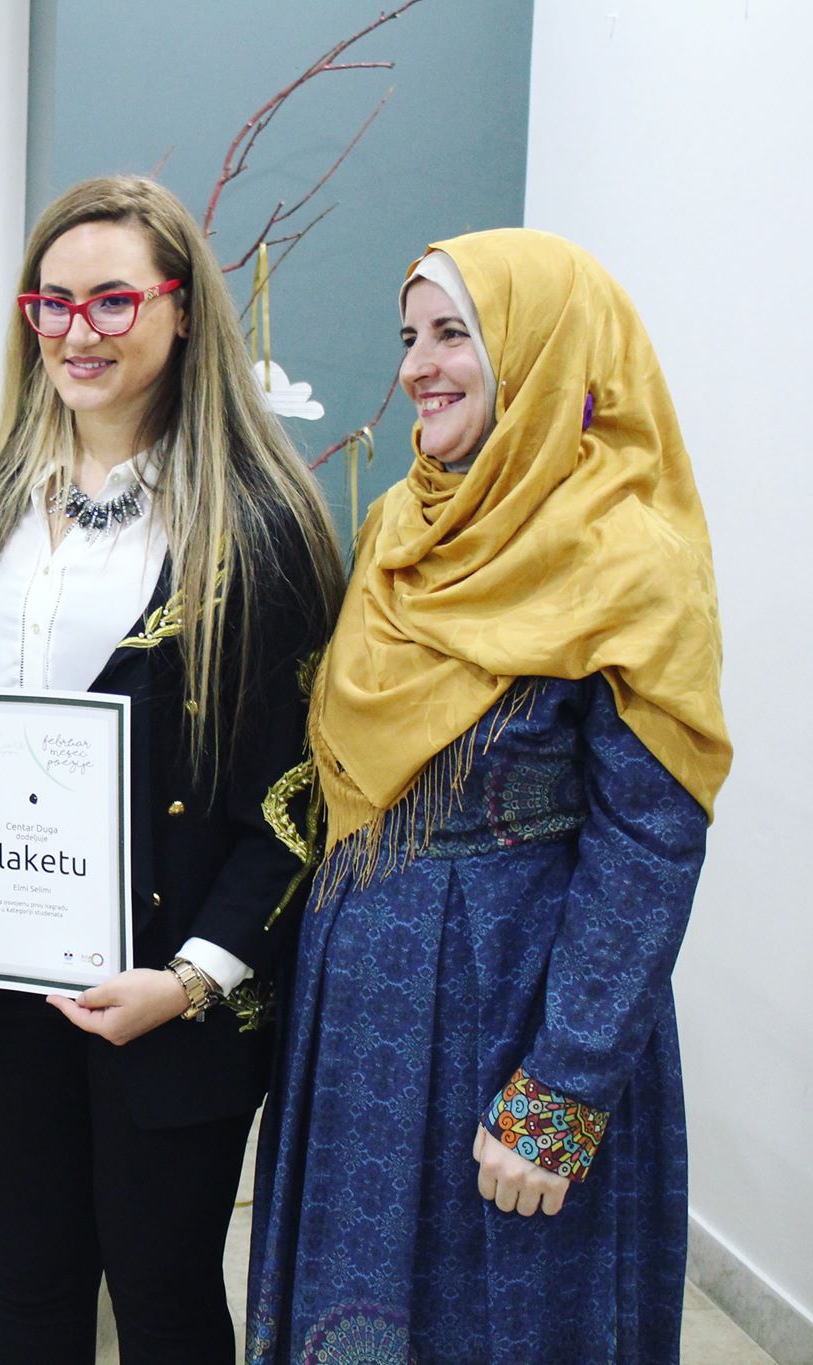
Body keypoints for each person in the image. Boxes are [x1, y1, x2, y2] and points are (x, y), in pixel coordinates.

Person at [0, 174, 344, 1362]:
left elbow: (295, 798)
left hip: (167, 991)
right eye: (51, 302)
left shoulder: (258, 527)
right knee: (31, 1282)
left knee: (164, 1294)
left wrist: (191, 980)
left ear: (179, 311)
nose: (76, 331)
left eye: (111, 300)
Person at [245, 228, 732, 1361]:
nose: (417, 365)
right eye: (408, 336)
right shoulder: (397, 528)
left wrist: (559, 1092)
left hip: (514, 1019)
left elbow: (649, 843)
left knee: (504, 1317)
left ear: (542, 351)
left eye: (453, 334)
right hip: (361, 1021)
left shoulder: (627, 558)